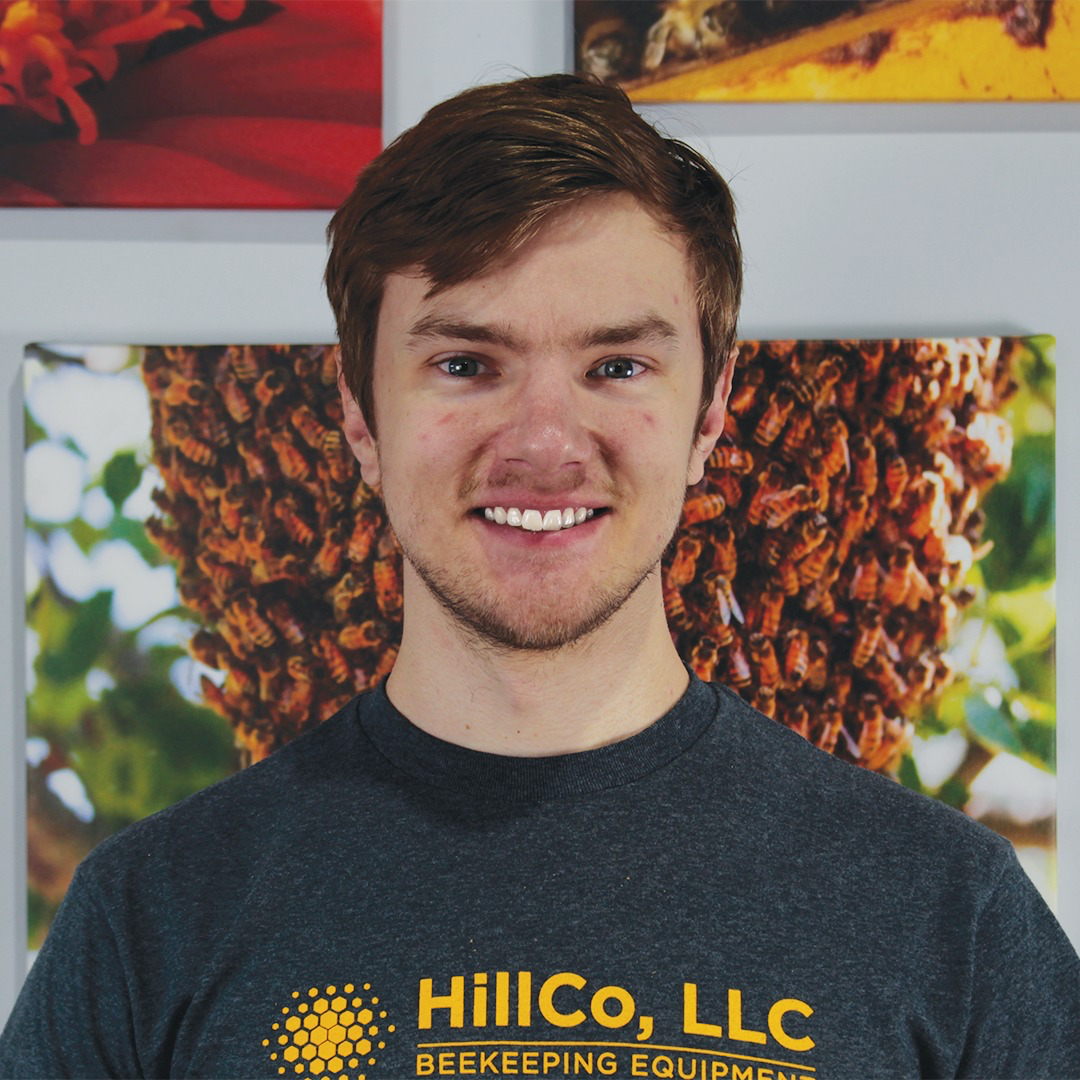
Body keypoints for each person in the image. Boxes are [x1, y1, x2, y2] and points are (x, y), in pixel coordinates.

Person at [1, 72, 1078, 1080]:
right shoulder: (150, 922)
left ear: (709, 416)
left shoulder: (954, 917)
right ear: (359, 415)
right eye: (466, 364)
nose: (546, 443)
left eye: (618, 366)